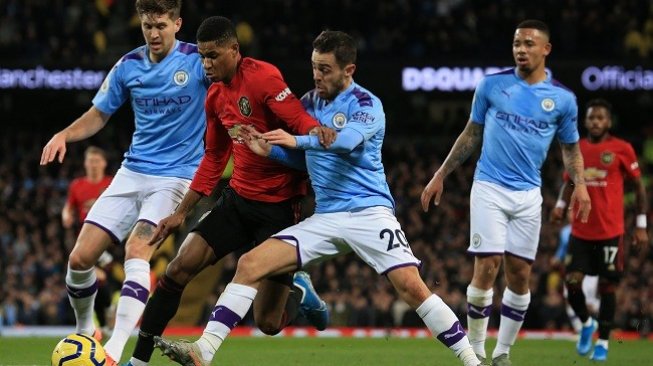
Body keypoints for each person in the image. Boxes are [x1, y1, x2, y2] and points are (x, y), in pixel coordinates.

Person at [154, 30, 483, 366]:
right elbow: (302, 160)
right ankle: (203, 350)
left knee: (412, 287)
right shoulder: (308, 103)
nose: (316, 75)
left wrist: (296, 141)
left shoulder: (367, 105)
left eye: (325, 69)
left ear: (348, 70)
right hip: (326, 217)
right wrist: (271, 151)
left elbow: (345, 143)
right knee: (250, 264)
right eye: (314, 67)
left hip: (370, 212)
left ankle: (471, 360)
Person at [124, 16, 333, 366]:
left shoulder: (263, 77)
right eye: (202, 56)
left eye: (213, 55)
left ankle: (298, 291)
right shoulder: (215, 96)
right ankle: (138, 360)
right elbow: (214, 156)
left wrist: (318, 130)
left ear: (234, 50)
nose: (206, 64)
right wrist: (181, 212)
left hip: (279, 209)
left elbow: (298, 121)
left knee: (267, 323)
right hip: (236, 200)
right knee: (177, 270)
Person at [40, 1, 210, 364]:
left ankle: (113, 352)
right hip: (132, 171)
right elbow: (99, 113)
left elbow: (235, 80)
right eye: (147, 25)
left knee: (137, 250)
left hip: (175, 176)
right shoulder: (129, 65)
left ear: (177, 24)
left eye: (161, 25)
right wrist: (65, 135)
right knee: (80, 258)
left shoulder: (198, 62)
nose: (153, 33)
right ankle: (87, 330)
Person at [420, 19, 592, 366]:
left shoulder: (562, 99)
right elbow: (471, 134)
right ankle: (477, 353)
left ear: (546, 49)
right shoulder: (492, 85)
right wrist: (441, 174)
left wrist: (582, 186)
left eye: (529, 44)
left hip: (529, 195)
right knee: (486, 266)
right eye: (516, 43)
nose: (521, 50)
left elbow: (570, 149)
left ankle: (503, 353)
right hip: (489, 187)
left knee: (520, 274)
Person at [549, 98, 648, 361]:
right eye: (591, 117)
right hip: (580, 232)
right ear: (585, 121)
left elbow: (639, 188)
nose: (595, 122)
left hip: (610, 233)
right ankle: (586, 324)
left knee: (608, 289)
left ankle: (603, 342)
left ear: (609, 121)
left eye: (600, 118)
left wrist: (641, 225)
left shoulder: (622, 149)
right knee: (571, 284)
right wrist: (560, 205)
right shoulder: (577, 149)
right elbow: (569, 182)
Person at [62, 146, 115, 335]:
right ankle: (103, 318)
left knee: (99, 276)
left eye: (96, 161)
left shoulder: (112, 183)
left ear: (103, 163)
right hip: (84, 238)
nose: (93, 165)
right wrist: (66, 215)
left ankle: (99, 320)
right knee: (95, 278)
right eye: (90, 161)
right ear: (85, 163)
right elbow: (68, 207)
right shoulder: (77, 185)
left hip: (108, 238)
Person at [549, 211, 599, 333]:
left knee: (588, 302)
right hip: (572, 269)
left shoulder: (590, 228)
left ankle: (594, 323)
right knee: (570, 296)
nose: (570, 215)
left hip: (589, 271)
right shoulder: (565, 231)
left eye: (574, 212)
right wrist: (556, 258)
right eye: (569, 212)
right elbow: (562, 249)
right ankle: (580, 328)